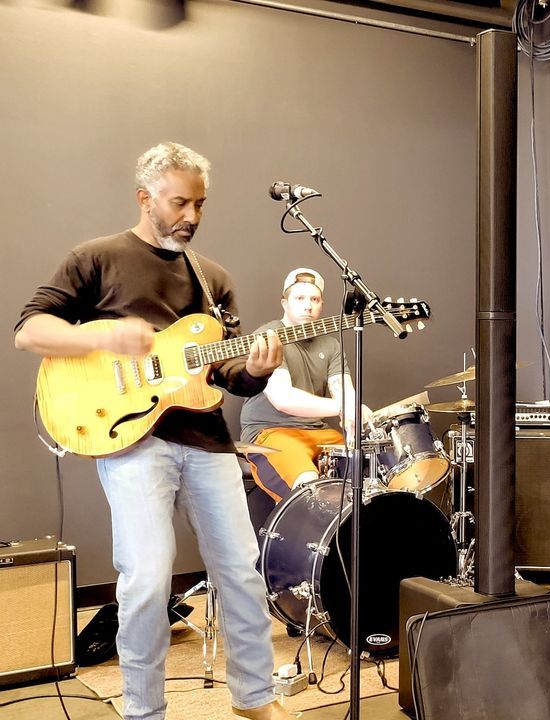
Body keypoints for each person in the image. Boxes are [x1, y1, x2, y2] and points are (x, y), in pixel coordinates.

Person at [14, 142, 296, 720]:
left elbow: (227, 376)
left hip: (207, 440)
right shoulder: (97, 257)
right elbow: (29, 331)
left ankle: (255, 698)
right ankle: (144, 712)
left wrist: (257, 369)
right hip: (133, 441)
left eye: (200, 204)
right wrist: (101, 336)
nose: (191, 216)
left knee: (242, 572)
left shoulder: (213, 279)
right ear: (145, 198)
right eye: (178, 203)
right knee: (145, 579)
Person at [240, 267, 370, 504]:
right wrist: (344, 407)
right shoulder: (269, 336)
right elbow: (284, 399)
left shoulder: (331, 345)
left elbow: (344, 392)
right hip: (271, 432)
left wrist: (352, 417)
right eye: (299, 298)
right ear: (284, 303)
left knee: (366, 475)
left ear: (322, 304)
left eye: (314, 299)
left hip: (318, 432)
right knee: (309, 486)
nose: (308, 306)